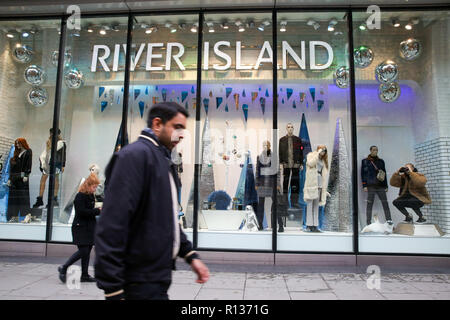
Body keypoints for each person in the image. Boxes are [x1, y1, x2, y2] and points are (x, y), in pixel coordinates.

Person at [94, 102, 209, 300]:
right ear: (157, 124)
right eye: (177, 127)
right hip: (137, 283)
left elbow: (166, 219)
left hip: (155, 280)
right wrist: (113, 290)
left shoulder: (162, 159)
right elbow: (112, 224)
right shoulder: (134, 157)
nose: (181, 135)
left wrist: (189, 254)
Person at [58, 173, 101, 283]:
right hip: (80, 227)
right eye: (94, 187)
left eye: (96, 187)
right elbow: (82, 212)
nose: (95, 189)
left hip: (89, 227)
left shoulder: (90, 196)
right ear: (88, 185)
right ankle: (64, 267)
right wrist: (97, 211)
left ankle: (84, 275)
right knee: (83, 251)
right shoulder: (80, 196)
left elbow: (88, 212)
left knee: (87, 251)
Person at [33, 128, 67, 208]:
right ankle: (40, 199)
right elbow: (46, 152)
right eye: (51, 133)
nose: (51, 135)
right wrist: (42, 162)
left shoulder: (61, 143)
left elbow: (62, 154)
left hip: (56, 164)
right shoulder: (50, 141)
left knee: (55, 180)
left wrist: (63, 165)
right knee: (43, 180)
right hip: (48, 163)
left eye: (53, 133)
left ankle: (54, 199)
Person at [255, 140, 283, 231]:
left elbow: (278, 171)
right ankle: (260, 224)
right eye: (264, 145)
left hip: (272, 184)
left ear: (270, 146)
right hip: (262, 183)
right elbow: (257, 171)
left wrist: (278, 184)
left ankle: (280, 225)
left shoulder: (274, 157)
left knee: (276, 204)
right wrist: (256, 183)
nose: (265, 146)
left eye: (267, 145)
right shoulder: (259, 157)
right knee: (260, 205)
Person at [361, 146, 392, 226]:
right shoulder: (365, 161)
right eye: (374, 150)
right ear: (370, 150)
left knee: (385, 203)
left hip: (380, 186)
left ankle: (389, 220)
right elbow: (363, 174)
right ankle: (368, 222)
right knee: (369, 204)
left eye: (377, 150)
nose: (375, 151)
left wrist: (386, 186)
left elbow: (384, 174)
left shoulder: (381, 161)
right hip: (371, 186)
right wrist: (364, 185)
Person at [303, 145, 329, 232]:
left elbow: (324, 173)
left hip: (319, 183)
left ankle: (315, 225)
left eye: (324, 151)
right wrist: (317, 154)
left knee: (316, 206)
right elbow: (310, 163)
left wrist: (324, 189)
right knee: (310, 205)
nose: (323, 152)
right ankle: (308, 225)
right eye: (321, 150)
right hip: (311, 183)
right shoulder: (311, 156)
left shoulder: (323, 160)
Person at [7, 138, 32, 223]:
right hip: (14, 178)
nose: (17, 145)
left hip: (22, 177)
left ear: (23, 143)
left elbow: (28, 164)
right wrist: (10, 179)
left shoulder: (28, 151)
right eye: (16, 144)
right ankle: (14, 216)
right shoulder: (16, 154)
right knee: (14, 198)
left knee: (23, 197)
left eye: (19, 143)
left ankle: (27, 215)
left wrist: (26, 174)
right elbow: (12, 168)